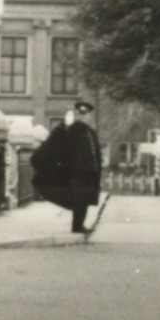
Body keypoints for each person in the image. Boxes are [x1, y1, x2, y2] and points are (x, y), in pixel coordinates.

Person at [58, 100, 104, 235]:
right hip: (78, 173)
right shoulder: (73, 130)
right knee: (79, 199)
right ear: (77, 115)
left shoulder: (91, 132)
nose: (84, 116)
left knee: (86, 199)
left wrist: (98, 169)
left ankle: (80, 225)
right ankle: (76, 226)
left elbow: (96, 153)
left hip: (90, 173)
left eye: (87, 114)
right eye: (81, 114)